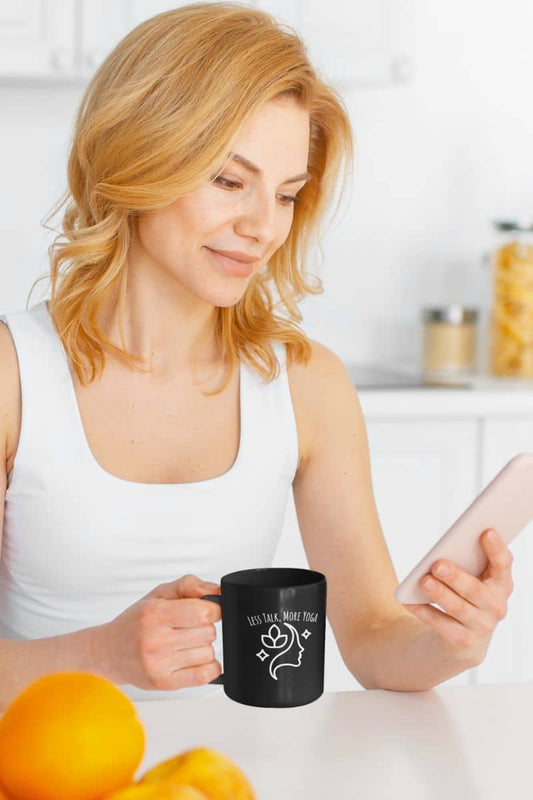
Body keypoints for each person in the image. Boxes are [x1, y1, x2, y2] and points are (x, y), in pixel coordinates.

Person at [0, 2, 513, 709]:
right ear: (138, 154)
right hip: (50, 771)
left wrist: (447, 641)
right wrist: (102, 653)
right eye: (228, 181)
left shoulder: (305, 384)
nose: (262, 227)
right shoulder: (14, 378)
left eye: (286, 195)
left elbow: (371, 640)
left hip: (231, 776)